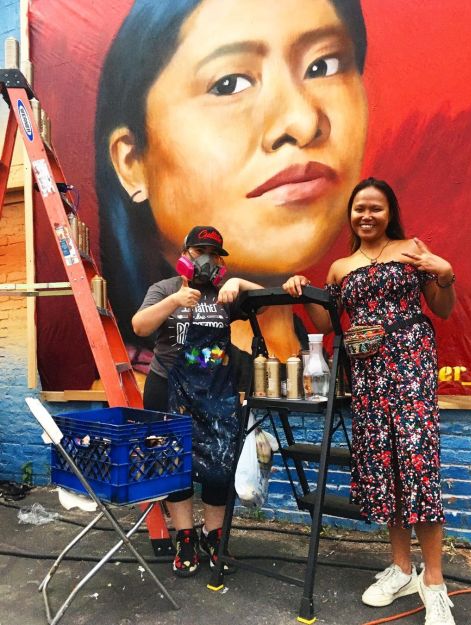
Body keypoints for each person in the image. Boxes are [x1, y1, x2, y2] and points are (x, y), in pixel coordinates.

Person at [95, 0, 368, 363]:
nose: (302, 122)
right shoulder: (166, 314)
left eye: (323, 65)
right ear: (133, 163)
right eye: (229, 84)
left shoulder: (299, 341)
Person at [283, 178, 457, 625]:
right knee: (386, 467)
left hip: (410, 366)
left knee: (417, 464)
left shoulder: (410, 250)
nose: (366, 215)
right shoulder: (340, 267)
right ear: (350, 214)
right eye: (359, 208)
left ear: (389, 212)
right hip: (367, 376)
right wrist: (304, 293)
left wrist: (444, 272)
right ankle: (401, 568)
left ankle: (433, 581)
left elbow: (442, 308)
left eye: (375, 208)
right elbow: (328, 321)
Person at [132, 225, 263, 577]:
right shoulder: (164, 288)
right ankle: (185, 537)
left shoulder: (224, 293)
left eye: (214, 253)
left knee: (219, 465)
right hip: (166, 388)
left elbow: (266, 298)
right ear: (185, 254)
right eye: (199, 250)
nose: (206, 258)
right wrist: (174, 300)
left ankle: (213, 534)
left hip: (215, 391)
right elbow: (140, 326)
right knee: (176, 465)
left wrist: (240, 285)